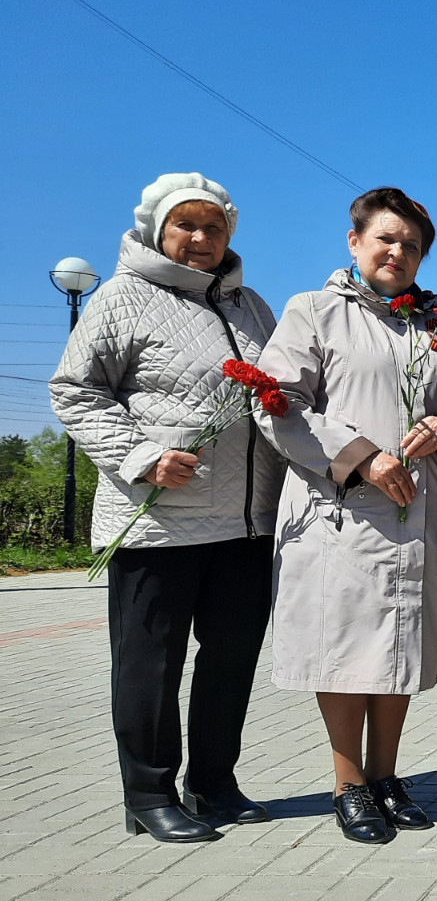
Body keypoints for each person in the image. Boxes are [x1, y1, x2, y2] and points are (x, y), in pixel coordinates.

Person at [51, 173, 286, 842]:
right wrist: (141, 456)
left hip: (246, 523)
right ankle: (149, 792)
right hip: (159, 521)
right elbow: (74, 391)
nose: (202, 238)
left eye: (214, 227)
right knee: (150, 663)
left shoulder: (252, 307)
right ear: (159, 229)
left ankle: (213, 782)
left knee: (231, 657)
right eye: (186, 224)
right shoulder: (122, 298)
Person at [253, 188, 437, 844]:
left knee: (400, 652)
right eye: (386, 238)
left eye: (412, 245)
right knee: (348, 649)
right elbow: (279, 404)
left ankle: (387, 776)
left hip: (419, 516)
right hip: (344, 516)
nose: (398, 252)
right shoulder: (315, 313)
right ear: (354, 241)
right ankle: (347, 782)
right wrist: (360, 456)